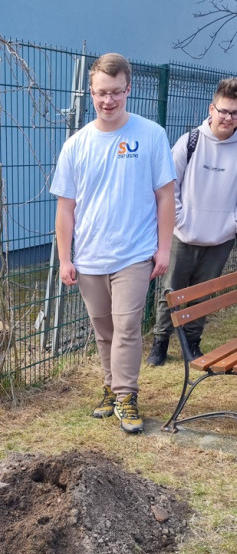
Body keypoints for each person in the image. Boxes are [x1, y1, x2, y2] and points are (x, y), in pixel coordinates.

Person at [50, 53, 176, 433]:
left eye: (116, 93)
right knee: (103, 329)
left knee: (127, 326)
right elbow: (66, 209)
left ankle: (126, 395)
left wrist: (164, 247)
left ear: (128, 89)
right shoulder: (76, 145)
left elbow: (166, 196)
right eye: (101, 93)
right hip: (90, 258)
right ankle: (110, 386)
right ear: (91, 91)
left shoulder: (150, 134)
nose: (108, 101)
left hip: (134, 254)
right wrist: (64, 258)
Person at [147, 77, 237, 366]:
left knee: (204, 294)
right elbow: (169, 186)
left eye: (235, 113)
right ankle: (160, 343)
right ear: (212, 109)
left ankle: (193, 344)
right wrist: (180, 219)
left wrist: (232, 223)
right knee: (171, 291)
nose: (228, 117)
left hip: (221, 237)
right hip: (182, 233)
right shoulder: (190, 141)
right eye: (223, 111)